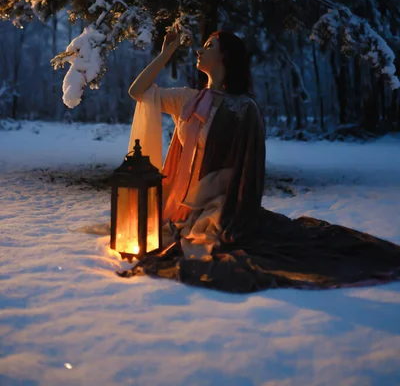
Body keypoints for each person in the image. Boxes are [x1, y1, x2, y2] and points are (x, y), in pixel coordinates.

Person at [120, 29, 400, 293]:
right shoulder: (187, 99)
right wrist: (166, 52)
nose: (199, 51)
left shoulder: (243, 108)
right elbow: (138, 92)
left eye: (209, 46)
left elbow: (249, 169)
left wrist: (233, 212)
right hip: (182, 206)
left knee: (211, 247)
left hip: (220, 207)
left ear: (225, 57)